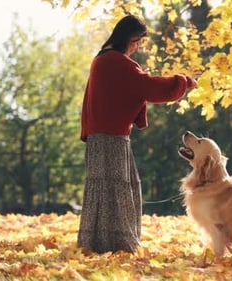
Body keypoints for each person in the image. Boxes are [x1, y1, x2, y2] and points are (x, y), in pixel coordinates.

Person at [77, 15, 197, 254]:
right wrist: (184, 82)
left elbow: (132, 86)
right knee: (117, 189)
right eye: (138, 42)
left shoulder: (102, 59)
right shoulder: (116, 61)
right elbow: (150, 87)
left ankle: (98, 242)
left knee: (108, 189)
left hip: (102, 136)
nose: (138, 47)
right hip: (110, 138)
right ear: (129, 38)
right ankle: (118, 244)